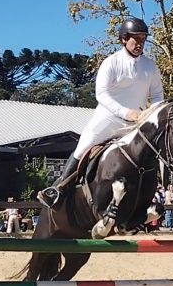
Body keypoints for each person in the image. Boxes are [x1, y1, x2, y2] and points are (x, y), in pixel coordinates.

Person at [38, 16, 164, 208]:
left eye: (142, 39)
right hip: (109, 118)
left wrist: (151, 115)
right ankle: (59, 188)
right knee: (84, 144)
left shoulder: (150, 66)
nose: (140, 43)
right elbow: (101, 94)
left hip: (136, 122)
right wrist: (125, 112)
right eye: (135, 38)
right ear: (124, 39)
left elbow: (157, 96)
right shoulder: (111, 62)